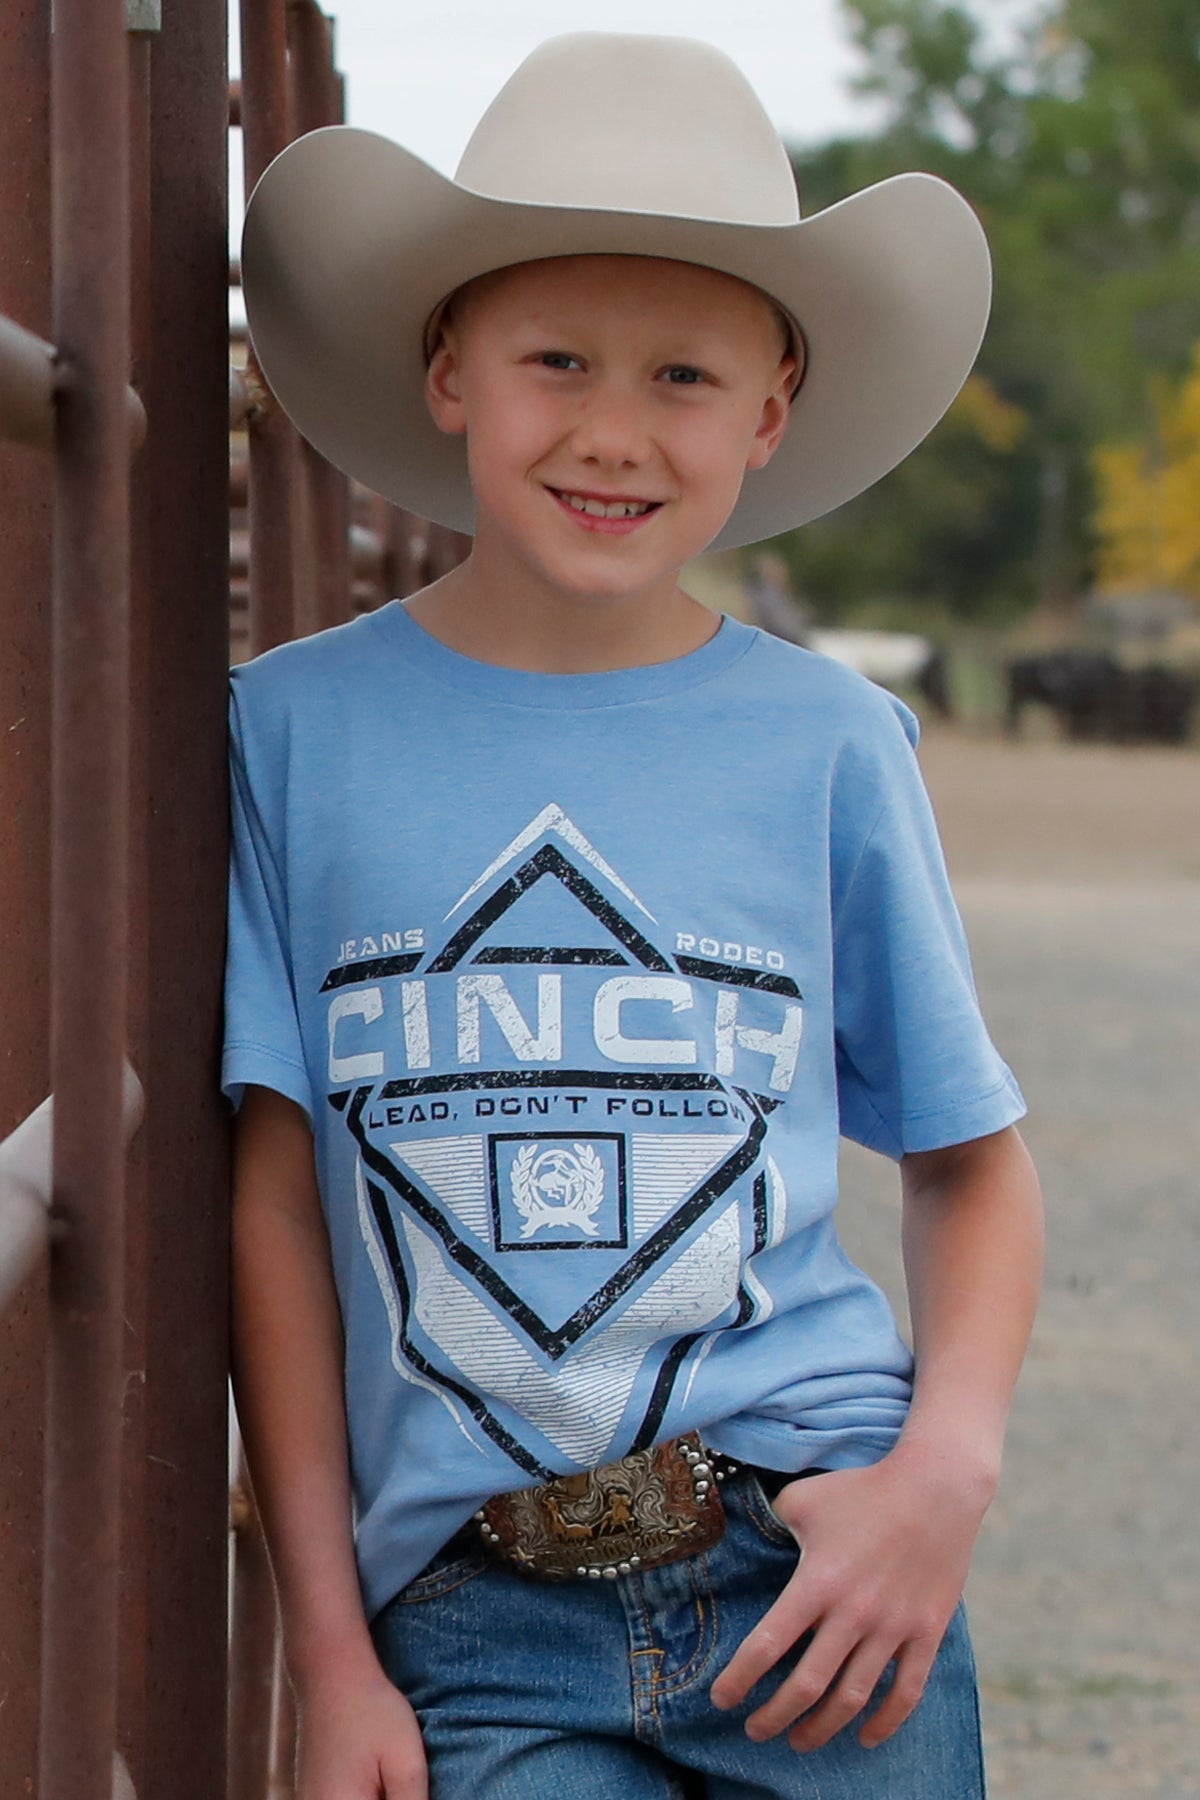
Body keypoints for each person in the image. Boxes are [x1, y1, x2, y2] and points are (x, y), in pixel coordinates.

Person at [226, 31, 1044, 1800]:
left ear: (769, 413)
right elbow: (275, 1199)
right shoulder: (288, 738)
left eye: (685, 375)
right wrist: (326, 1649)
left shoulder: (829, 744)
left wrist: (943, 1478)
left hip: (815, 1565)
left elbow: (972, 1161)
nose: (613, 429)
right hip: (472, 1611)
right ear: (449, 370)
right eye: (555, 361)